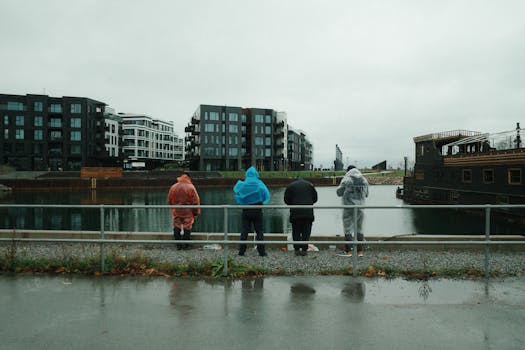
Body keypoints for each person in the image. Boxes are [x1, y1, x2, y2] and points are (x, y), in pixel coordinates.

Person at [233, 166, 271, 257]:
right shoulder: (259, 184)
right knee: (259, 231)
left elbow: (236, 192)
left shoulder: (243, 184)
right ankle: (261, 252)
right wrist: (263, 201)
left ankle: (241, 251)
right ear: (256, 174)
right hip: (257, 210)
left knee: (244, 230)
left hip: (246, 210)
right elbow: (266, 195)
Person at [336, 165, 369, 257]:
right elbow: (366, 194)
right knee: (359, 229)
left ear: (348, 171)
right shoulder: (364, 180)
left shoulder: (346, 180)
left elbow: (338, 193)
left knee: (347, 229)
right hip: (360, 208)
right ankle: (360, 251)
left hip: (348, 207)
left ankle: (348, 251)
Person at [284, 177, 318, 256]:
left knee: (296, 231)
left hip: (295, 212)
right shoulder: (310, 185)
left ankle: (296, 249)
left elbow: (286, 200)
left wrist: (292, 204)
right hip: (308, 211)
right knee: (306, 231)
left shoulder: (290, 186)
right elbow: (315, 199)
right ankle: (304, 249)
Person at [167, 172, 201, 250]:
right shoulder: (191, 187)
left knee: (176, 226)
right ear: (189, 178)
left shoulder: (174, 187)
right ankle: (186, 245)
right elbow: (195, 201)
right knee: (187, 226)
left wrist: (173, 208)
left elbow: (169, 199)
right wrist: (196, 212)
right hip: (187, 211)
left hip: (176, 210)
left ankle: (178, 245)